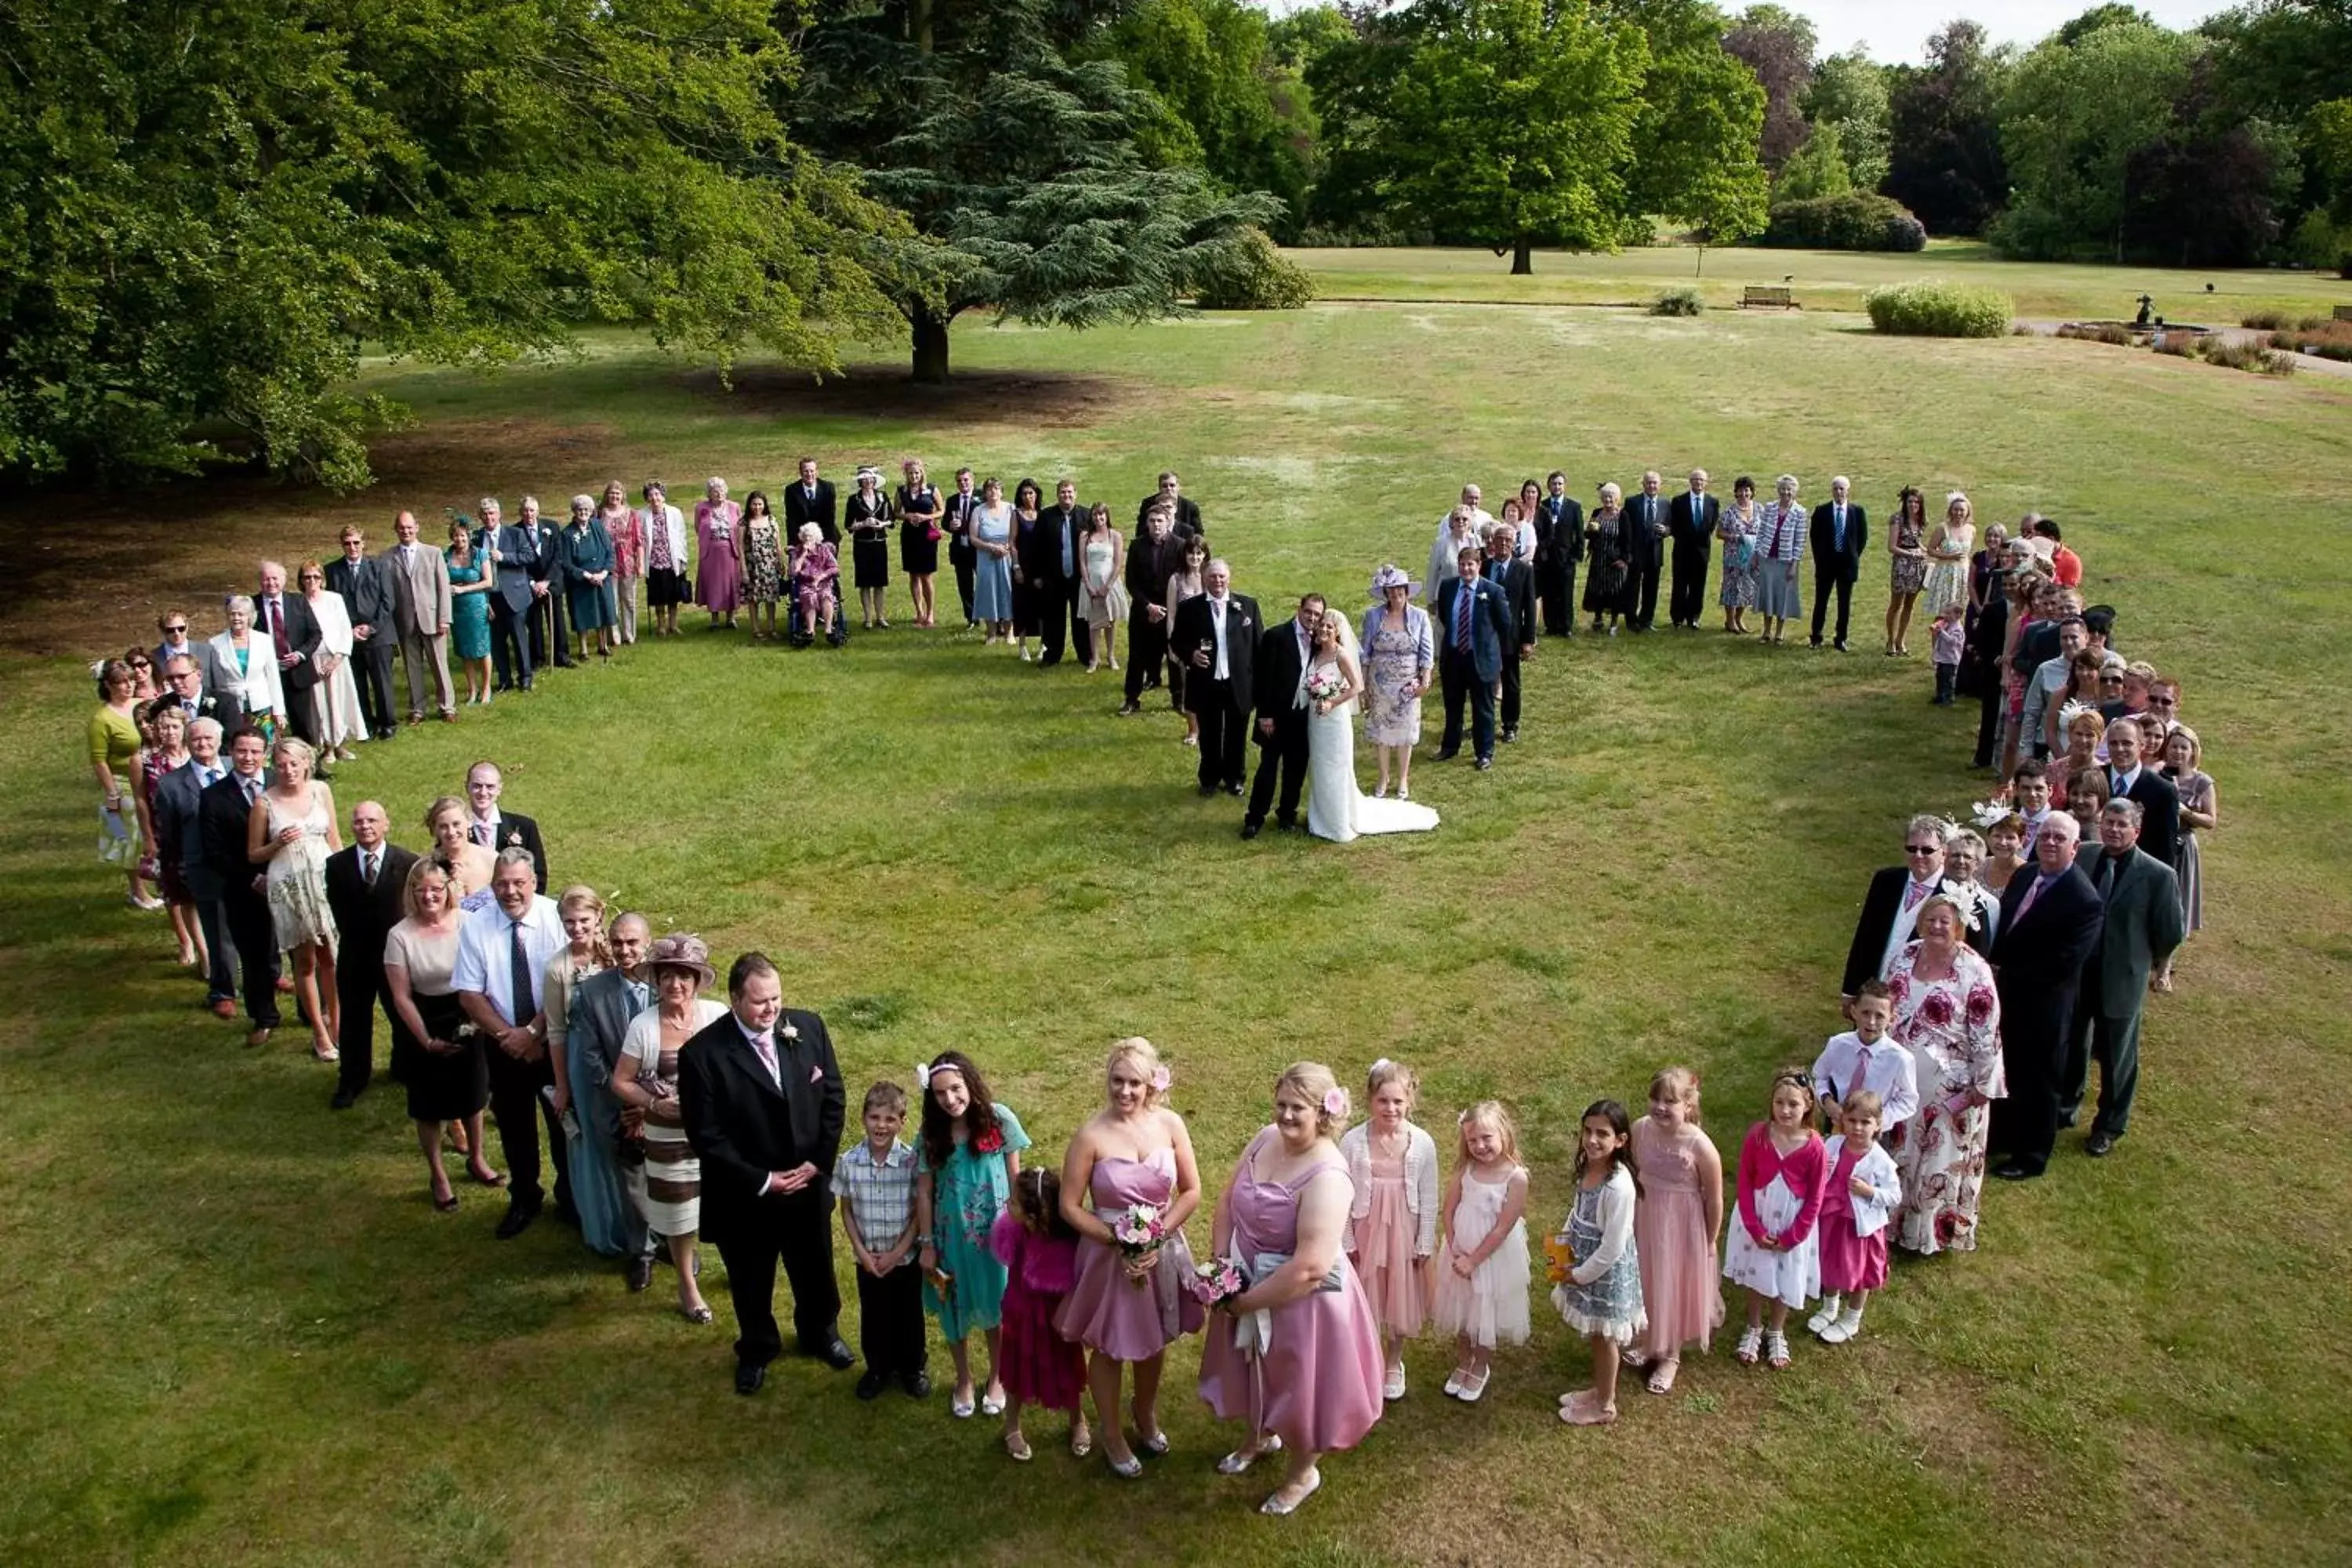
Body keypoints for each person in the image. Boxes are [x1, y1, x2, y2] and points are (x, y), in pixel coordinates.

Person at [1197, 1062, 1384, 1514]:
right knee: (1253, 1368)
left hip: (1304, 1305)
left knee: (1303, 1387)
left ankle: (1303, 1474)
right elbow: (1227, 1198)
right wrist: (1223, 1265)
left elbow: (1310, 1267)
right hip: (1246, 1278)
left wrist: (1245, 1303)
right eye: (1280, 1104)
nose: (1284, 1116)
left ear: (1323, 1113)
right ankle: (1258, 1437)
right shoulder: (1264, 1139)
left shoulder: (1329, 1176)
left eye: (1297, 1108)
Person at [676, 951, 851, 1391]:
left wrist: (818, 1163)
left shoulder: (807, 1028)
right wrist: (762, 1179)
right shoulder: (702, 1055)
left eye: (776, 998)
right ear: (735, 999)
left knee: (816, 1271)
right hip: (746, 1196)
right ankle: (756, 1349)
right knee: (751, 1281)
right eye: (760, 1002)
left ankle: (820, 1334)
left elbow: (832, 1097)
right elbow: (707, 1136)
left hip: (807, 1185)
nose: (772, 1009)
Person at [1055, 1037, 1203, 1475]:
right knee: (1111, 1345)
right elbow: (1069, 1206)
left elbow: (1192, 1191)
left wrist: (1157, 1238)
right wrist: (1120, 1242)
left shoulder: (1171, 1125)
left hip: (1161, 1250)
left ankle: (1145, 1412)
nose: (1124, 1092)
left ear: (1151, 1084)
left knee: (1154, 1336)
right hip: (1109, 1256)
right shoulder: (1091, 1136)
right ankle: (1113, 1434)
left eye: (1134, 1083)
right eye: (1117, 1081)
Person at [452, 849, 569, 1238]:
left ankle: (570, 1198)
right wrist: (510, 1037)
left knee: (563, 1124)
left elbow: (568, 985)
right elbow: (470, 994)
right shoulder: (475, 925)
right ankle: (524, 1198)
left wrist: (534, 1032)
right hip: (502, 1047)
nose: (510, 892)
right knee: (515, 1126)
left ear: (534, 882)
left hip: (553, 1041)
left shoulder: (556, 918)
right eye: (501, 884)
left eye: (519, 883)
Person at [2059, 800, 2184, 1161]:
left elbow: (2169, 932)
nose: (2113, 829)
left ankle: (2109, 1125)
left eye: (2121, 825)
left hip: (2122, 977)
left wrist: (2141, 961)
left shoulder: (2159, 875)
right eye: (2108, 822)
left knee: (2118, 1056)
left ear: (2136, 830)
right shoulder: (2084, 857)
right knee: (2072, 1045)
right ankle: (2066, 1107)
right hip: (2080, 972)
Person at [615, 933, 728, 1323]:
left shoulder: (716, 1016)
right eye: (667, 977)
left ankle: (738, 1265)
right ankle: (687, 1285)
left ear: (696, 981)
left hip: (717, 1133)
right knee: (679, 1214)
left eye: (683, 976)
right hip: (668, 1136)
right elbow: (621, 1081)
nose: (675, 984)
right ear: (657, 981)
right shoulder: (643, 1026)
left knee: (728, 1201)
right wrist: (652, 1104)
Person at [1883, 893, 2005, 1248]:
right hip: (1900, 1075)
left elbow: (1986, 1032)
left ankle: (1927, 1234)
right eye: (1931, 920)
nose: (1937, 927)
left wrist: (1982, 1085)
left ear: (1959, 927)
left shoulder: (1974, 970)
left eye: (1945, 921)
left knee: (1937, 1158)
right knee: (1898, 1147)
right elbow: (1886, 1006)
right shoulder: (1905, 956)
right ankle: (1889, 1221)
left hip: (1950, 1085)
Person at [1987, 815, 2103, 1183]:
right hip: (2006, 996)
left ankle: (2032, 1154)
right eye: (2046, 835)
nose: (2050, 843)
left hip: (2044, 1004)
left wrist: (2005, 975)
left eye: (2060, 838)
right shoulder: (2025, 875)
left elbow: (2063, 963)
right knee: (2007, 1070)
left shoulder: (2084, 900)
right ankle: (2002, 1136)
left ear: (2076, 847)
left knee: (2039, 1081)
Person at [915, 1051, 1028, 1420]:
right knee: (954, 1308)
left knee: (995, 1307)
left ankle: (997, 1376)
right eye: (940, 1093)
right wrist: (928, 1244)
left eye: (956, 1089)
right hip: (950, 1242)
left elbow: (1015, 1180)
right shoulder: (932, 1134)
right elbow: (925, 1192)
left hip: (994, 1239)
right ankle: (963, 1379)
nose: (950, 1099)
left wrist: (1020, 1225)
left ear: (970, 1084)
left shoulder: (999, 1120)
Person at [383, 859, 496, 1211]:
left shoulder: (467, 922)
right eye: (421, 890)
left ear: (448, 890)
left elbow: (485, 970)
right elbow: (400, 996)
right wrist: (425, 1040)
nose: (429, 896)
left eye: (436, 888)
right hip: (423, 1020)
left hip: (467, 1012)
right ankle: (438, 1174)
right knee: (428, 1107)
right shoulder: (399, 936)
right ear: (412, 894)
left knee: (475, 1094)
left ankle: (477, 1158)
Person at [1616, 1066, 1726, 1398]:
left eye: (1670, 1101)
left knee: (1673, 1284)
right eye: (1655, 1099)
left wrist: (1709, 1240)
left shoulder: (1700, 1145)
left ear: (1688, 1106)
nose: (1660, 1107)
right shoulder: (1640, 1129)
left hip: (1681, 1225)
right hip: (1645, 1215)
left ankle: (1671, 1355)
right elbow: (1631, 1171)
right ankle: (1651, 1341)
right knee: (1647, 1278)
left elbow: (1715, 1197)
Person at [563, 913, 659, 1285]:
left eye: (632, 942)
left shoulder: (665, 986)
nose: (624, 950)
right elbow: (590, 1055)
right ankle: (642, 1252)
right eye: (617, 943)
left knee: (670, 1179)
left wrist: (650, 1099)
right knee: (633, 1185)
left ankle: (676, 1243)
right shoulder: (591, 993)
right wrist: (625, 1099)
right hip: (619, 1110)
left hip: (663, 1106)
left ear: (647, 942)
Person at [1339, 1058, 1439, 1400]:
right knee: (1366, 1298)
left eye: (1398, 1101)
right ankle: (1365, 1359)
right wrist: (1347, 1239)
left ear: (1410, 1101)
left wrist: (1425, 1241)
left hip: (1403, 1231)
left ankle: (1394, 1361)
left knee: (1399, 1296)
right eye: (1383, 1100)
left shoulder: (1422, 1143)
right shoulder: (1353, 1142)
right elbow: (1342, 1194)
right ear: (1370, 1100)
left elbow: (1429, 1196)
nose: (1391, 1108)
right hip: (1365, 1231)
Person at [1301, 608, 1439, 843]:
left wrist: (1332, 702)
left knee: (1336, 767)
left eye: (1329, 627)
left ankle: (1339, 820)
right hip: (1316, 722)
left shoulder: (1341, 655)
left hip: (1334, 721)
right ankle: (1321, 817)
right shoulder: (1314, 654)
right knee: (1320, 767)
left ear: (1337, 632)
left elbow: (1357, 687)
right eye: (1322, 625)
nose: (1324, 630)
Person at [1428, 1099, 1530, 1404]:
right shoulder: (1466, 1169)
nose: (1480, 1146)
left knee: (1483, 1309)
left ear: (1503, 1134)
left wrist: (1474, 1259)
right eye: (1472, 1140)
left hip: (1491, 1256)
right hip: (1459, 1250)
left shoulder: (1516, 1177)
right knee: (1461, 1308)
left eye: (1487, 1138)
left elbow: (1503, 1227)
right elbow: (1448, 1208)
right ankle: (1463, 1361)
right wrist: (1455, 1244)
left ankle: (1480, 1365)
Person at [1723, 1072, 1827, 1371]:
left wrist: (1795, 1235)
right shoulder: (1758, 1135)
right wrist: (1754, 1227)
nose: (1785, 1110)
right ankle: (1754, 1325)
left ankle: (1776, 1329)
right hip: (1759, 1216)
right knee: (1758, 1271)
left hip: (1791, 1223)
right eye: (1779, 1102)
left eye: (1793, 1104)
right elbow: (1744, 1181)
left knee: (1785, 1276)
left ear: (1807, 1105)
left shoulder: (1815, 1146)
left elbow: (1815, 1197)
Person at [1552, 1099, 1646, 1425]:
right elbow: (1577, 1213)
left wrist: (1579, 1275)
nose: (1592, 1140)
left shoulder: (1618, 1187)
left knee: (1605, 1337)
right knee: (1596, 1334)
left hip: (1603, 1274)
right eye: (1588, 1131)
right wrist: (1563, 1249)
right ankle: (1601, 1389)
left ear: (1620, 1140)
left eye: (1602, 1134)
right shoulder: (1589, 1168)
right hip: (1583, 1262)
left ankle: (1605, 1405)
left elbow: (1613, 1247)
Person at [247, 735, 341, 1062]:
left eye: (294, 764)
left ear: (306, 764)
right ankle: (318, 1030)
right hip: (289, 885)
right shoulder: (265, 803)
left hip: (323, 880)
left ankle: (338, 1024)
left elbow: (335, 839)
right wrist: (277, 845)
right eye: (282, 765)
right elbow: (254, 853)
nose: (288, 771)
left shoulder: (320, 791)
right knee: (305, 960)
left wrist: (345, 879)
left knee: (330, 955)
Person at [323, 800, 417, 1109]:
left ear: (386, 824)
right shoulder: (337, 865)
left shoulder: (407, 863)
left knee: (402, 1015)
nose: (366, 826)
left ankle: (404, 1068)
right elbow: (339, 912)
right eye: (360, 821)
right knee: (354, 1020)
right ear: (352, 826)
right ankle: (352, 1078)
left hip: (395, 958)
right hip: (355, 956)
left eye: (372, 821)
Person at [990, 1169, 1089, 1463]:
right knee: (1017, 1366)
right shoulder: (1014, 1230)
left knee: (1067, 1365)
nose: (1008, 1206)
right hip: (1022, 1312)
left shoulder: (1066, 1241)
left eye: (1016, 1203)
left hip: (1057, 1316)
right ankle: (1012, 1425)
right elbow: (1006, 1255)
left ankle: (1077, 1419)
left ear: (1035, 1215)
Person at [837, 1080, 927, 1399]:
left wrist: (899, 1251)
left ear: (903, 1122)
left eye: (890, 1119)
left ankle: (912, 1368)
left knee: (908, 1314)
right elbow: (846, 1209)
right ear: (863, 1118)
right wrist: (862, 1252)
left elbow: (919, 1210)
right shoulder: (849, 1162)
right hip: (869, 1259)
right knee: (874, 1315)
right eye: (875, 1117)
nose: (881, 1126)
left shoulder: (911, 1162)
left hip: (903, 1258)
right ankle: (878, 1368)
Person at [1806, 1093, 1901, 1345]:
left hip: (1859, 1227)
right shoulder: (1833, 1144)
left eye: (1865, 1122)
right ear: (1842, 1121)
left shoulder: (1880, 1160)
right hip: (1832, 1218)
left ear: (1878, 1124)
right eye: (1852, 1120)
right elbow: (1817, 1168)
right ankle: (1830, 1306)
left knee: (1859, 1272)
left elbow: (1894, 1195)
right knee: (1829, 1261)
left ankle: (1852, 1317)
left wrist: (1870, 1192)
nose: (1857, 1128)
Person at [540, 887, 609, 1207]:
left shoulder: (615, 955)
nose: (577, 928)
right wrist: (563, 1086)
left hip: (620, 1053)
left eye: (584, 920)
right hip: (581, 1061)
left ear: (599, 917)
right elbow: (555, 1031)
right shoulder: (557, 969)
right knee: (593, 1136)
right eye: (569, 922)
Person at [1839, 815, 1955, 1004]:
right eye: (1912, 849)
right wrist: (1851, 991)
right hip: (1875, 994)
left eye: (1927, 850)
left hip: (1919, 1000)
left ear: (1944, 852)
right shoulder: (1886, 880)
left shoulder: (1955, 894)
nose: (1918, 856)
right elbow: (1865, 937)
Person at [1171, 559, 1259, 800]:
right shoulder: (1191, 608)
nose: (1217, 581)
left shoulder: (1247, 607)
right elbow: (1176, 641)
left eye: (1221, 577)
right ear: (1204, 578)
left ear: (1229, 578)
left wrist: (1257, 685)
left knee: (1236, 734)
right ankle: (1209, 779)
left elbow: (1257, 646)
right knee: (1209, 734)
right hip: (1206, 682)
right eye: (1212, 577)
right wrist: (1191, 654)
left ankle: (1235, 778)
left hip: (1237, 682)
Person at [152, 715, 223, 989]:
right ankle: (218, 981)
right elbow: (169, 832)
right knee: (213, 927)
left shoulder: (235, 769)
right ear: (188, 743)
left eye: (208, 738)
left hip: (241, 862)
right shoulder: (170, 785)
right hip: (199, 863)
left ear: (219, 741)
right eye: (196, 739)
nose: (203, 743)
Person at [1241, 593, 1319, 838]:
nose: (1312, 618)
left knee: (1295, 769)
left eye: (1317, 614)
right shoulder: (1276, 636)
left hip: (1303, 717)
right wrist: (1265, 715)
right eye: (1309, 612)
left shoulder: (1320, 641)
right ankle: (1255, 818)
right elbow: (1263, 679)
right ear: (1300, 609)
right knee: (1268, 768)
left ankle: (1287, 814)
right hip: (1274, 718)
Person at [1359, 565, 1433, 801]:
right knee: (1382, 734)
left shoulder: (1420, 617)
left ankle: (1402, 778)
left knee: (1405, 734)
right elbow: (1366, 653)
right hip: (1380, 685)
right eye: (1390, 591)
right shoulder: (1373, 616)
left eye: (1399, 590)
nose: (1395, 595)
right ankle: (1383, 777)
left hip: (1407, 686)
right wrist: (1364, 686)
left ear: (1406, 591)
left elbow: (1427, 653)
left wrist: (1425, 679)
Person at [1435, 549, 1510, 771]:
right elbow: (1445, 617)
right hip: (1455, 657)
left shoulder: (1493, 591)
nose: (1466, 569)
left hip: (1481, 659)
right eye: (1462, 564)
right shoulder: (1448, 588)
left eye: (1470, 565)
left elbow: (1504, 624)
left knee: (1483, 708)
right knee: (1453, 705)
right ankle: (1450, 746)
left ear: (1479, 566)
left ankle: (1484, 752)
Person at [89, 659, 154, 906]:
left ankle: (154, 877)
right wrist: (112, 793)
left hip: (149, 778)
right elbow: (98, 760)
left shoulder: (142, 706)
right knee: (130, 837)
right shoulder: (102, 719)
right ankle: (138, 891)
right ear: (108, 685)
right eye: (121, 682)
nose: (128, 686)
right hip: (122, 783)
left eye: (130, 680)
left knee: (152, 832)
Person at [381, 511, 456, 724]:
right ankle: (418, 709)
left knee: (440, 665)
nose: (406, 531)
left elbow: (443, 587)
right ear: (396, 530)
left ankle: (447, 706)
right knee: (412, 668)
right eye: (402, 528)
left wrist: (445, 618)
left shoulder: (433, 553)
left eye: (409, 527)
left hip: (432, 619)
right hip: (405, 621)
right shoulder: (387, 557)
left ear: (417, 527)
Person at [325, 527, 399, 741]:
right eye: (348, 543)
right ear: (342, 545)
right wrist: (348, 630)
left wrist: (372, 627)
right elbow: (332, 604)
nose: (352, 547)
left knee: (381, 682)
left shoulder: (378, 566)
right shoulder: (332, 570)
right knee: (357, 683)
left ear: (363, 543)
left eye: (356, 542)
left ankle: (387, 723)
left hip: (379, 634)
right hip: (350, 637)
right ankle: (365, 722)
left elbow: (388, 601)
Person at [2156, 725, 2212, 992]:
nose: (2178, 752)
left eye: (2183, 747)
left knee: (2177, 905)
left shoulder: (2202, 782)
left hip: (2183, 845)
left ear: (2192, 752)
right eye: (2174, 746)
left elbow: (2210, 820)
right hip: (2157, 843)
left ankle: (2165, 968)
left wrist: (2185, 812)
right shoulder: (2157, 774)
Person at [1121, 507, 1188, 719]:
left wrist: (1167, 609)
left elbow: (1183, 579)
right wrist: (1148, 606)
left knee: (1174, 656)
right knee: (1137, 657)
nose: (1156, 525)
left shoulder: (1180, 546)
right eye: (1152, 521)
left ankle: (1178, 699)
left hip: (1171, 612)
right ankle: (1132, 699)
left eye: (1160, 521)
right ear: (1147, 523)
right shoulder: (1137, 546)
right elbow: (1131, 582)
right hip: (1143, 612)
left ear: (1168, 522)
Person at [295, 561, 364, 762]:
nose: (312, 581)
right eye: (307, 577)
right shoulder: (298, 603)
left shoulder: (335, 599)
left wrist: (337, 658)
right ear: (301, 581)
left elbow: (344, 629)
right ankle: (327, 747)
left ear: (322, 579)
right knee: (320, 705)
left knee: (339, 702)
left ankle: (341, 745)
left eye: (316, 577)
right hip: (312, 660)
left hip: (336, 659)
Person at [252, 561, 325, 746]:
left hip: (298, 672)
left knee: (304, 725)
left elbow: (315, 633)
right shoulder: (252, 605)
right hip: (266, 675)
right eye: (266, 579)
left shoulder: (298, 601)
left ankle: (311, 764)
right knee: (271, 725)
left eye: (275, 578)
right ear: (260, 581)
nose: (271, 583)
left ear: (283, 580)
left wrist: (300, 654)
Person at [2102, 718, 2179, 869]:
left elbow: (2167, 848)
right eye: (2114, 743)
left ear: (2141, 745)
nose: (2120, 749)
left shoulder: (2163, 790)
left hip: (2139, 874)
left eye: (2127, 743)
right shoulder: (2095, 779)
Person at [209, 595, 287, 740]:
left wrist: (279, 711)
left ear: (250, 616)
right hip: (233, 705)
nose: (236, 618)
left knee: (264, 745)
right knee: (238, 744)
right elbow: (216, 680)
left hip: (261, 704)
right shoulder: (215, 643)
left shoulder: (264, 640)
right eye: (232, 614)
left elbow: (273, 677)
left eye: (241, 614)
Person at [1028, 478, 1087, 667]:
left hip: (1080, 578)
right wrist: (1036, 575)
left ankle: (1085, 655)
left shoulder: (1086, 516)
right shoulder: (1046, 516)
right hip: (1053, 577)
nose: (1066, 495)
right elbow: (1035, 548)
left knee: (1081, 618)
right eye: (1063, 492)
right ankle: (1052, 655)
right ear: (1057, 495)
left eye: (1070, 492)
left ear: (1075, 494)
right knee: (1053, 618)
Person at [477, 498, 535, 693]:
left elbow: (529, 556)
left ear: (499, 515)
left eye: (492, 513)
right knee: (496, 641)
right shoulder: (477, 538)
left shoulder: (515, 533)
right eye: (485, 514)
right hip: (491, 597)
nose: (489, 517)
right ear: (480, 517)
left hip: (514, 595)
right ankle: (504, 679)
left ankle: (525, 677)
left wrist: (504, 557)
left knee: (519, 639)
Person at [463, 761, 548, 891]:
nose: (483, 792)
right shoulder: (456, 831)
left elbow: (538, 876)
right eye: (477, 786)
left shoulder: (525, 827)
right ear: (467, 787)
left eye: (490, 787)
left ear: (499, 789)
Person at [1485, 522, 1534, 742]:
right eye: (1500, 539)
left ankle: (1510, 725)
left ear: (1514, 544)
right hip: (1485, 636)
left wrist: (1528, 640)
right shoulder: (1483, 568)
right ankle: (1483, 722)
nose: (1504, 543)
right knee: (1482, 682)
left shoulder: (1524, 570)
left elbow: (1530, 607)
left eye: (1508, 540)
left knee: (1511, 683)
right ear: (1492, 543)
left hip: (1511, 638)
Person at [1809, 475, 1867, 651]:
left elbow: (1862, 538)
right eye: (1835, 488)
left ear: (1848, 490)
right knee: (1821, 601)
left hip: (1847, 565)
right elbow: (1815, 537)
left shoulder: (1857, 512)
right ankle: (1816, 636)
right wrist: (1820, 558)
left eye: (1842, 488)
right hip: (1826, 564)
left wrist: (1853, 556)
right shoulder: (1822, 511)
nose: (1839, 492)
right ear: (1831, 491)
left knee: (1844, 603)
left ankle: (1841, 638)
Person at [557, 495, 617, 661]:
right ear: (574, 512)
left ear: (592, 512)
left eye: (587, 510)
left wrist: (604, 573)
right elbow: (566, 563)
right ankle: (583, 650)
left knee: (603, 611)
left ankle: (602, 645)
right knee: (581, 615)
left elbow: (609, 552)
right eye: (580, 510)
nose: (583, 513)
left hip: (601, 578)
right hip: (580, 581)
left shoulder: (597, 526)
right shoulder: (567, 534)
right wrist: (587, 576)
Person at [443, 524, 492, 706]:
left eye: (463, 536)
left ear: (468, 536)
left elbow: (488, 581)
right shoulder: (446, 557)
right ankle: (472, 690)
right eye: (456, 536)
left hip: (477, 606)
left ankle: (486, 688)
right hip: (457, 608)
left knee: (483, 649)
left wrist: (463, 589)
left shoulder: (480, 554)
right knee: (465, 651)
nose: (460, 539)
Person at [521, 495, 570, 670]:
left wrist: (547, 581)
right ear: (521, 512)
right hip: (530, 585)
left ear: (538, 511)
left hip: (552, 582)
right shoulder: (515, 531)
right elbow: (519, 563)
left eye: (532, 510)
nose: (529, 514)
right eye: (525, 510)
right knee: (533, 623)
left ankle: (561, 656)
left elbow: (559, 557)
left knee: (557, 620)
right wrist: (533, 583)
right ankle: (537, 658)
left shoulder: (552, 527)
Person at [1534, 471, 1584, 637]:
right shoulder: (1543, 506)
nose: (1557, 487)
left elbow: (1579, 534)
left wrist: (1576, 556)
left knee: (1565, 593)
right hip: (1547, 559)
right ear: (1549, 486)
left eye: (1560, 484)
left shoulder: (1574, 507)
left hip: (1566, 558)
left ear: (1565, 486)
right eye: (1554, 484)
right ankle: (1551, 625)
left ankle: (1566, 626)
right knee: (1549, 593)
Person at [1667, 468, 1719, 629]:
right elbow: (1674, 525)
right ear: (1690, 482)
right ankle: (1677, 617)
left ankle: (1694, 617)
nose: (1698, 482)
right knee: (1680, 585)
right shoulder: (1679, 501)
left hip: (1702, 551)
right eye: (1695, 479)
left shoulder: (1712, 502)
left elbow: (1711, 526)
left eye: (1701, 480)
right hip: (1682, 550)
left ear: (1706, 483)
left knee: (1698, 585)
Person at [422, 795, 495, 908]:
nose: (451, 832)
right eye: (443, 827)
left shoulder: (491, 859)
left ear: (469, 822)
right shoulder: (427, 868)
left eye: (456, 824)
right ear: (434, 830)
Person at [1078, 502, 1127, 671]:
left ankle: (1111, 656)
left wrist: (1108, 586)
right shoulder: (1085, 536)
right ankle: (1094, 658)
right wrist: (1089, 585)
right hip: (1091, 582)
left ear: (1107, 516)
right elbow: (1083, 563)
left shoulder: (1115, 536)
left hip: (1110, 583)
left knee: (1110, 621)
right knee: (1094, 622)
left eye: (1101, 514)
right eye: (1095, 515)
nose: (1098, 518)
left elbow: (1118, 563)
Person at [844, 466, 894, 630]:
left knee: (880, 583)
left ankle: (880, 616)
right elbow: (849, 526)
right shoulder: (854, 500)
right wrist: (863, 524)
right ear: (860, 481)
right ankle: (868, 618)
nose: (868, 481)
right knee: (865, 583)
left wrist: (882, 524)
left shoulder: (882, 496)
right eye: (864, 479)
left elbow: (891, 519)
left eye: (870, 478)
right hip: (862, 545)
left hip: (879, 543)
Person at [638, 480, 690, 638]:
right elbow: (640, 539)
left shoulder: (675, 512)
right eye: (651, 495)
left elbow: (682, 536)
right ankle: (661, 625)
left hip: (672, 559)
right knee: (658, 596)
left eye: (657, 494)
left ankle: (673, 625)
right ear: (647, 498)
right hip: (654, 561)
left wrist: (682, 558)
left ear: (663, 496)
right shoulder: (641, 515)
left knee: (674, 595)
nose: (654, 498)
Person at [1883, 485, 1930, 655]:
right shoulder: (1897, 519)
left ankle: (1900, 640)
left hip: (1917, 567)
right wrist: (1911, 555)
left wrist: (1925, 551)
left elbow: (1917, 541)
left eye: (1916, 502)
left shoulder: (1922, 520)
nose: (1913, 505)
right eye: (1910, 502)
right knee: (1896, 604)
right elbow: (1892, 546)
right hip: (1902, 566)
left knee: (1909, 605)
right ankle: (1890, 640)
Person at [1581, 485, 1633, 635]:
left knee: (1615, 590)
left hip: (1615, 560)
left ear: (1616, 498)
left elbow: (1629, 540)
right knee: (1598, 588)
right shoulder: (1597, 513)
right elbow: (1589, 535)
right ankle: (1598, 618)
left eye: (1610, 497)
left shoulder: (1623, 515)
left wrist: (1624, 559)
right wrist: (1589, 530)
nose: (1607, 500)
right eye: (1604, 497)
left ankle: (1614, 623)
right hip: (1599, 558)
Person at [1711, 475, 1760, 636]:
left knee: (1748, 587)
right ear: (1736, 493)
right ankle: (1730, 620)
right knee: (1732, 587)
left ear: (1752, 492)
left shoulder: (1760, 509)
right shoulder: (1729, 512)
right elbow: (1719, 533)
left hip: (1752, 556)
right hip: (1734, 556)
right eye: (1740, 491)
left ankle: (1739, 618)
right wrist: (1735, 538)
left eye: (1747, 490)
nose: (1744, 494)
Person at [896, 459, 942, 629]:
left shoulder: (931, 489)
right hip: (909, 535)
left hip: (926, 535)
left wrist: (926, 517)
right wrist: (907, 517)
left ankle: (930, 613)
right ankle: (919, 612)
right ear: (906, 475)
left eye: (917, 473)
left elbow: (941, 510)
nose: (914, 476)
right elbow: (896, 512)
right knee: (913, 574)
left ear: (921, 473)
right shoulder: (902, 491)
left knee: (926, 575)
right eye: (911, 473)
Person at [970, 477, 1016, 644]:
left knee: (1008, 591)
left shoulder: (1011, 509)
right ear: (985, 493)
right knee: (989, 592)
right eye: (989, 489)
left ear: (1001, 492)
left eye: (996, 489)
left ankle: (1010, 632)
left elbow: (1017, 534)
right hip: (986, 557)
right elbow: (973, 538)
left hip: (1007, 556)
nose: (993, 492)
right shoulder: (978, 511)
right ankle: (991, 634)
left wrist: (1006, 548)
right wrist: (991, 547)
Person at [1621, 470, 1668, 631]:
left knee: (1651, 588)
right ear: (1643, 484)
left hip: (1655, 553)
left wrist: (1666, 530)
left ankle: (1647, 619)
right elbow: (1626, 529)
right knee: (1632, 587)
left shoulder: (1665, 504)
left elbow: (1671, 526)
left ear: (1660, 485)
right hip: (1636, 553)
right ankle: (1631, 620)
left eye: (1655, 483)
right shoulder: (1632, 502)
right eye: (1649, 482)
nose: (1652, 486)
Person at [600, 481, 644, 646]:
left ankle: (629, 634)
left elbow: (639, 541)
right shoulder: (600, 514)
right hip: (608, 563)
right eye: (612, 493)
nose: (615, 497)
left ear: (623, 496)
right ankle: (614, 636)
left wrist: (640, 564)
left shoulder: (632, 514)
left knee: (629, 600)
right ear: (607, 495)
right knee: (611, 601)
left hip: (628, 562)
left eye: (618, 493)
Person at [735, 491, 784, 641]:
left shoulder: (771, 520)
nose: (757, 507)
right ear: (749, 505)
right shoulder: (744, 523)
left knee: (771, 598)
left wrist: (780, 561)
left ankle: (771, 628)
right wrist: (743, 568)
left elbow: (778, 544)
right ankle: (756, 628)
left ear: (764, 505)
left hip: (770, 565)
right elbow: (740, 547)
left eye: (760, 504)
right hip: (752, 566)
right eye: (754, 504)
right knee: (753, 599)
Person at [695, 477, 742, 630]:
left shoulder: (734, 507)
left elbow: (740, 528)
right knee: (713, 583)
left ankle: (731, 618)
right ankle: (714, 619)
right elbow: (698, 528)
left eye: (722, 490)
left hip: (730, 549)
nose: (719, 493)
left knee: (730, 583)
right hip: (711, 550)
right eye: (715, 491)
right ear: (709, 494)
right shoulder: (701, 508)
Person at [1923, 491, 1976, 624]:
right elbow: (1930, 549)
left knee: (1958, 611)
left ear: (1967, 512)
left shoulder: (1971, 529)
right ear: (1951, 511)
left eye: (1962, 510)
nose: (1958, 513)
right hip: (1945, 574)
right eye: (1955, 510)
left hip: (1962, 574)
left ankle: (1954, 641)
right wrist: (1948, 556)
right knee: (1943, 613)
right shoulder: (1943, 528)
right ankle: (1938, 640)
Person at [1007, 478, 1044, 660]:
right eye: (1024, 493)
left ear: (1036, 494)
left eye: (1031, 493)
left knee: (1042, 606)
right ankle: (1022, 646)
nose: (1028, 497)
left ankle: (1043, 645)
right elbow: (1012, 543)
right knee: (1022, 605)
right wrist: (1016, 567)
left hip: (1040, 568)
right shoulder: (1017, 514)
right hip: (1022, 566)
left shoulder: (1043, 515)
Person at [1424, 503, 1484, 610]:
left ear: (1470, 521)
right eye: (1457, 519)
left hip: (1473, 595)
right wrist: (1431, 599)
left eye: (1464, 519)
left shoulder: (1477, 541)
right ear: (1451, 522)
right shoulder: (1441, 543)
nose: (1461, 522)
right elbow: (1433, 572)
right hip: (1447, 595)